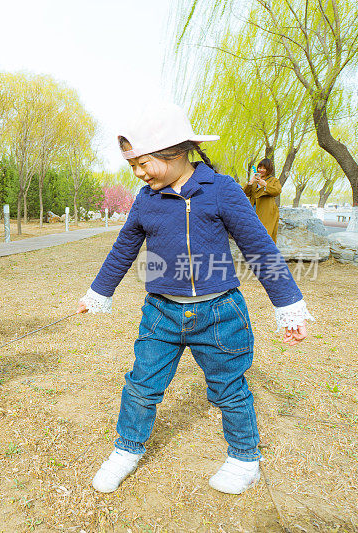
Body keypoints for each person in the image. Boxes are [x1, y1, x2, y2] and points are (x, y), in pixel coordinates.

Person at [77, 102, 312, 495]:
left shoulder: (221, 190)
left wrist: (289, 308)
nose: (138, 173)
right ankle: (126, 449)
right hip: (161, 312)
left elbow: (259, 248)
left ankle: (244, 457)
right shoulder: (145, 199)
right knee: (141, 385)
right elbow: (123, 250)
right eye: (133, 165)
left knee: (228, 387)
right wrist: (97, 294)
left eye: (143, 163)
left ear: (176, 152)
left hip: (219, 312)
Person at [244, 158, 282, 242]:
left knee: (266, 234)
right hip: (253, 210)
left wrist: (265, 185)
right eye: (260, 167)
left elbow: (277, 191)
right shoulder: (255, 180)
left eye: (264, 168)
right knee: (253, 233)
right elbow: (246, 193)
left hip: (267, 212)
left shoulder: (274, 180)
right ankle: (253, 252)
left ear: (269, 169)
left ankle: (267, 253)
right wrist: (251, 182)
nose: (261, 170)